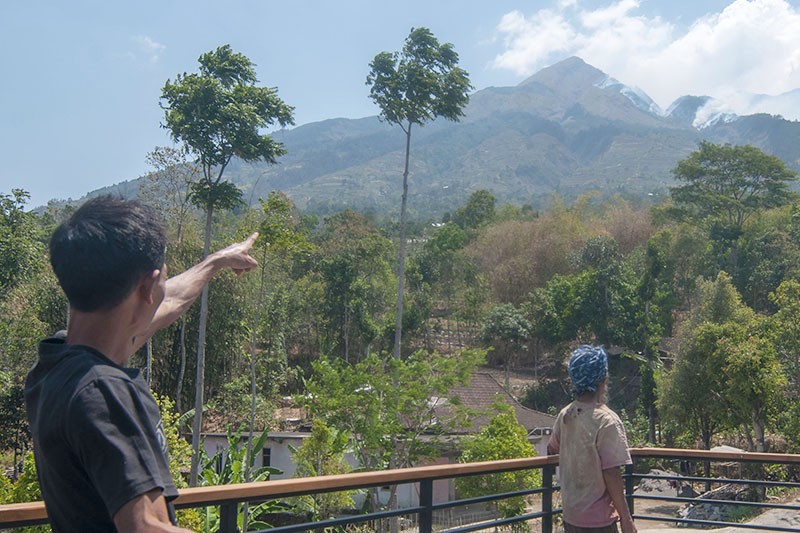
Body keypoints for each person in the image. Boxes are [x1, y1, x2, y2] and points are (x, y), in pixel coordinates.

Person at [24, 195, 259, 532]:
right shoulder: (103, 390)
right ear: (148, 286)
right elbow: (145, 527)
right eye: (162, 278)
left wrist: (215, 262)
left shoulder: (56, 365)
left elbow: (169, 299)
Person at [547, 345, 636, 533]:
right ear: (603, 379)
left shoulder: (565, 414)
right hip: (599, 521)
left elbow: (552, 447)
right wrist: (626, 519)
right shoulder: (606, 421)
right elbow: (611, 473)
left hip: (571, 515)